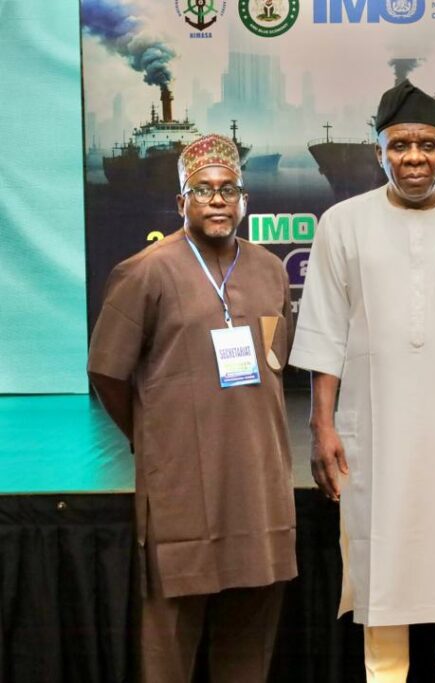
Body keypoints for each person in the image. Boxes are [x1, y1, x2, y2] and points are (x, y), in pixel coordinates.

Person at [289, 79, 435, 682]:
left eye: (426, 145)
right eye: (399, 145)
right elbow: (323, 335)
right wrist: (321, 427)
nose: (413, 158)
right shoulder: (342, 224)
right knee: (382, 582)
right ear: (379, 152)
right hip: (375, 433)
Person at [87, 134, 296, 682]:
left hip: (257, 482)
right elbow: (106, 371)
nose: (218, 200)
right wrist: (152, 435)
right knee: (170, 641)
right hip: (182, 485)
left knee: (250, 632)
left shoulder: (270, 270)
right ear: (181, 201)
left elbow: (278, 361)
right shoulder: (145, 271)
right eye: (202, 190)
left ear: (245, 199)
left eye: (229, 189)